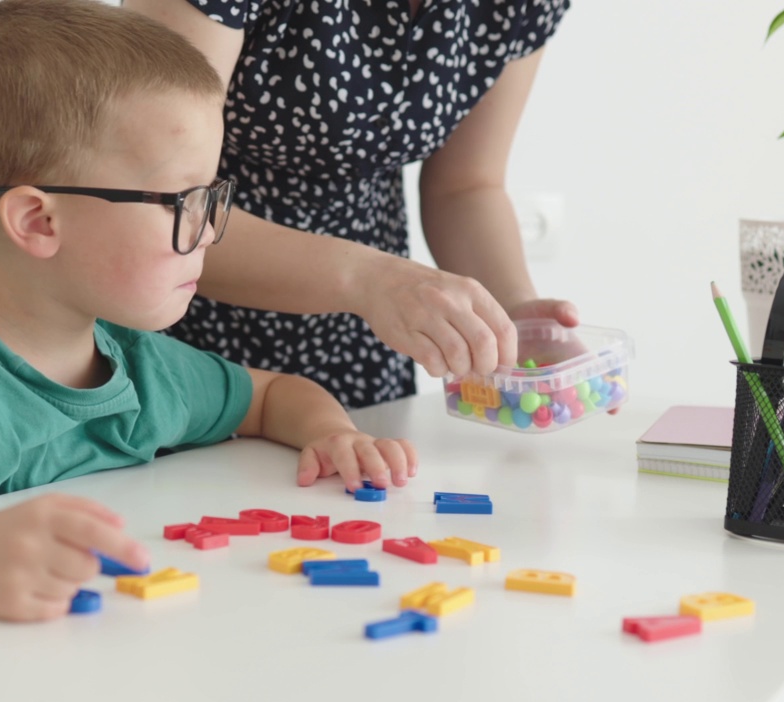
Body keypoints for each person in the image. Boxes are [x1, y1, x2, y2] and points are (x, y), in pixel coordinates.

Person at [0, 0, 417, 623]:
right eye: (181, 201)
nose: (208, 232)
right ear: (40, 221)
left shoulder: (142, 364)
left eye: (210, 199)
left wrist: (333, 434)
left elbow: (273, 397)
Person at [124, 0, 578, 409]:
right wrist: (370, 279)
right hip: (184, 337)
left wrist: (515, 316)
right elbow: (153, 204)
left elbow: (465, 187)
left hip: (362, 347)